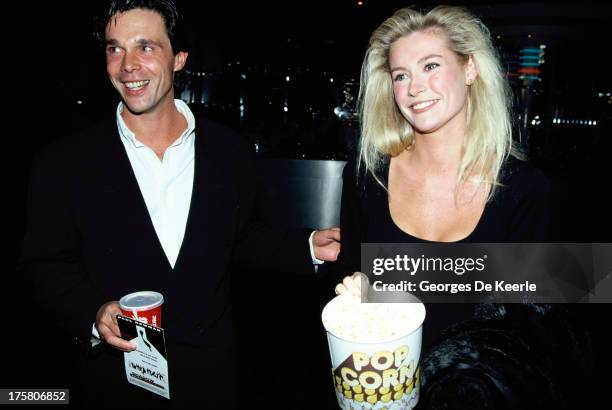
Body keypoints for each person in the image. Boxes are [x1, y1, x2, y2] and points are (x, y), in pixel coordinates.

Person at [18, 0, 339, 406]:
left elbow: (238, 239)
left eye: (145, 47)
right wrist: (92, 312)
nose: (127, 65)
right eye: (114, 48)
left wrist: (307, 246)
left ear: (179, 59)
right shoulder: (64, 161)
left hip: (212, 379)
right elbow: (43, 264)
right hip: (113, 382)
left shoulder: (229, 151)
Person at [332, 6, 595, 409]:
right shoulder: (368, 176)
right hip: (381, 391)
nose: (414, 87)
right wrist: (357, 295)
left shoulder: (523, 189)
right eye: (401, 75)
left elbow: (537, 320)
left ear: (470, 68)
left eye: (431, 65)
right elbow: (351, 279)